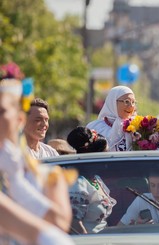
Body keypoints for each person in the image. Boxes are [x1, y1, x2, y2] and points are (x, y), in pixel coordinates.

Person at [0, 65, 73, 241]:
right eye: (38, 119)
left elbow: (59, 223)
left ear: (19, 119)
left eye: (2, 111)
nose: (43, 125)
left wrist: (17, 182)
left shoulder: (50, 169)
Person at [67, 126, 116, 234]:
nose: (109, 158)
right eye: (106, 153)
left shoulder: (95, 179)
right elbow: (74, 224)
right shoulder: (78, 184)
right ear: (95, 156)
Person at [87, 86, 136, 151]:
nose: (131, 106)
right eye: (127, 102)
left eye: (133, 102)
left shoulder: (138, 126)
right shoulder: (94, 127)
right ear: (113, 102)